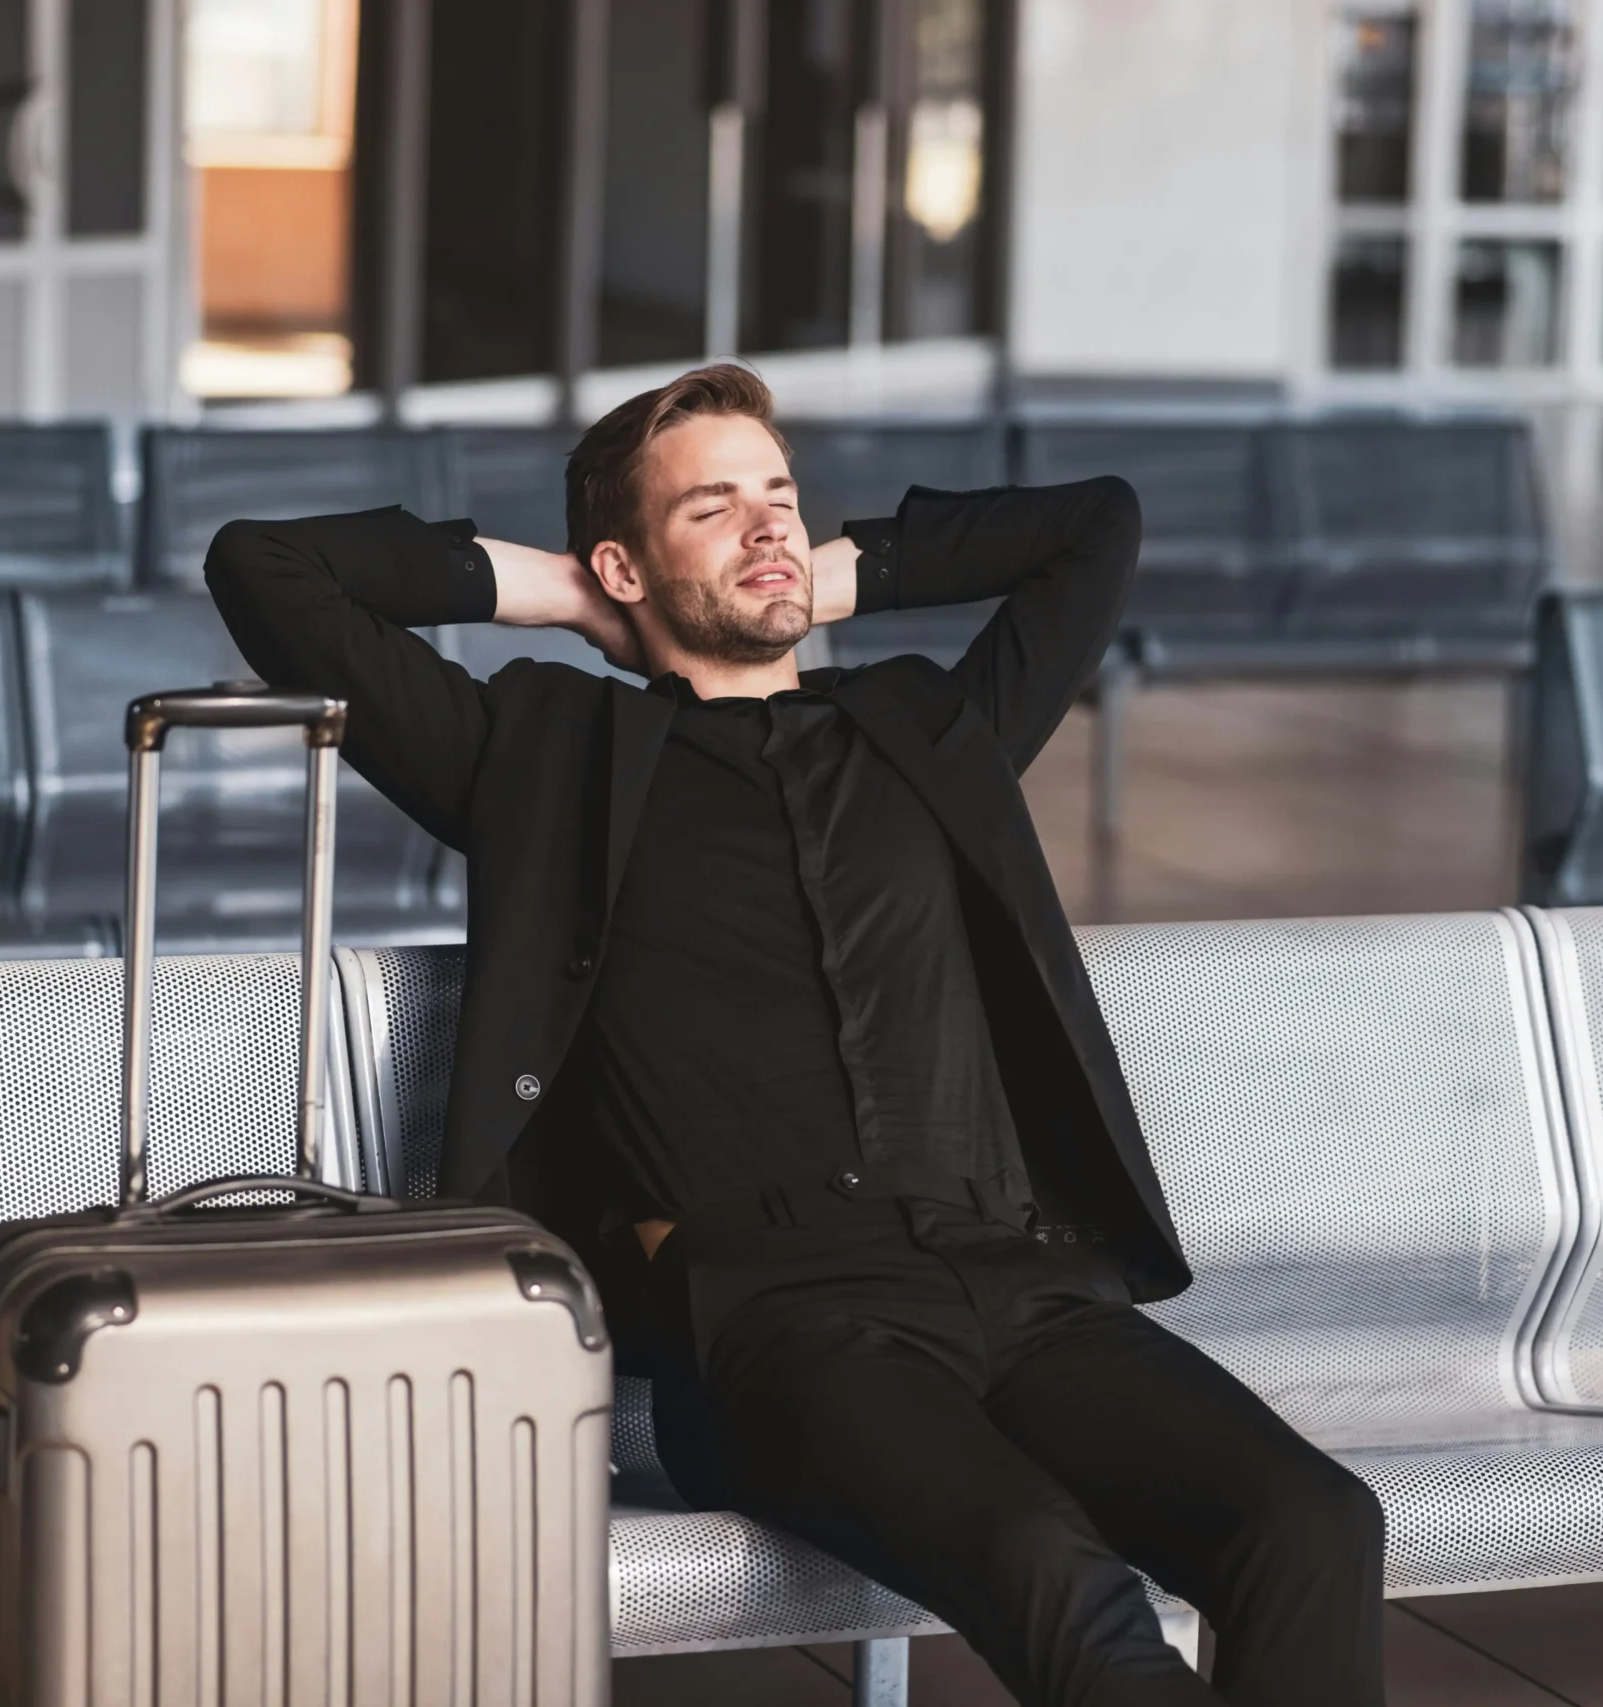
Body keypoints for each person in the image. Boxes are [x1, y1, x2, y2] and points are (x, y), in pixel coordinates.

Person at [205, 364, 1385, 1707]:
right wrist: (571, 594)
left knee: (1315, 1525)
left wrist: (812, 574)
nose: (771, 525)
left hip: (1020, 1280)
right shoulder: (540, 754)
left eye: (782, 494)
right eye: (713, 507)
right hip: (779, 1323)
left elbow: (1094, 525)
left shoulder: (933, 730)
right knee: (1067, 1582)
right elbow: (266, 566)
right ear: (623, 564)